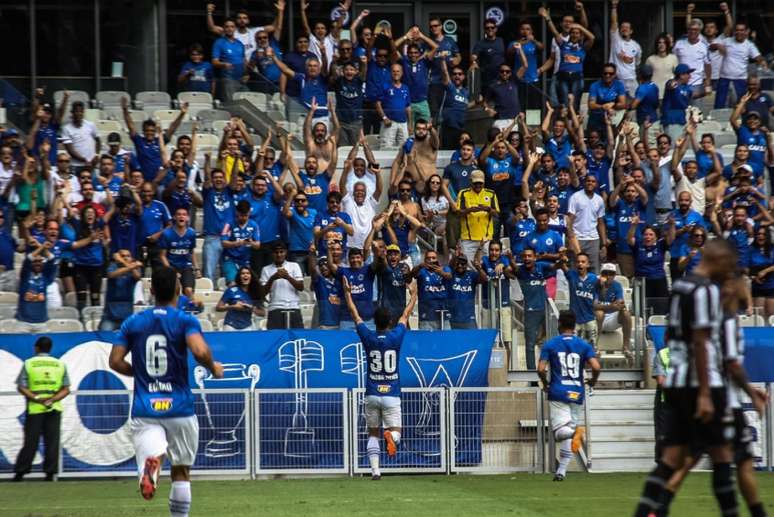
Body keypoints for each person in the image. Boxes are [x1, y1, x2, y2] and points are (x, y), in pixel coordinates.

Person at [633, 239, 740, 517]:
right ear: (718, 259)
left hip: (678, 382)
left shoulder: (680, 286)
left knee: (669, 459)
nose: (728, 273)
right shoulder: (705, 290)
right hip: (701, 382)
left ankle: (647, 511)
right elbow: (701, 341)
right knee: (722, 457)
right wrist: (705, 393)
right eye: (728, 266)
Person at [109, 266, 224, 511]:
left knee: (154, 455)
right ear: (178, 289)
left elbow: (115, 361)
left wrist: (139, 373)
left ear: (151, 291)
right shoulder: (184, 320)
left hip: (145, 408)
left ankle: (153, 464)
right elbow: (199, 351)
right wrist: (213, 367)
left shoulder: (133, 322)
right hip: (179, 406)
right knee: (181, 470)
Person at [658, 275, 768, 517]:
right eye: (742, 284)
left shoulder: (707, 319)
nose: (745, 289)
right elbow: (731, 363)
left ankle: (660, 506)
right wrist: (750, 391)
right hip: (724, 401)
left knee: (691, 458)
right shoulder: (726, 321)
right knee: (743, 462)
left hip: (703, 396)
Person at [342, 274, 417, 481]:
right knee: (397, 434)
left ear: (374, 322)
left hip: (372, 393)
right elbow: (407, 313)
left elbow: (354, 314)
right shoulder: (396, 336)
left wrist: (348, 294)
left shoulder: (368, 336)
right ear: (390, 321)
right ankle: (391, 436)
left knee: (372, 433)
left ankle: (375, 471)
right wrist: (414, 294)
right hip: (392, 393)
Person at [538, 310, 601, 481]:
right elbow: (596, 367)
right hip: (577, 392)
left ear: (559, 324)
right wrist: (593, 382)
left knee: (560, 433)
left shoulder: (550, 344)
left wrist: (545, 384)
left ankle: (576, 433)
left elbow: (541, 369)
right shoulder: (584, 345)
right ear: (574, 326)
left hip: (558, 391)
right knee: (567, 429)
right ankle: (561, 471)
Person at [13, 336, 70, 482]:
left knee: (30, 441)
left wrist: (37, 398)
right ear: (50, 348)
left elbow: (21, 386)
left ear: (37, 348)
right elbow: (66, 389)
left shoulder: (29, 363)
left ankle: (20, 472)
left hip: (35, 408)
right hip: (54, 408)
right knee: (52, 442)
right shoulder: (59, 364)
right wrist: (51, 399)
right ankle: (50, 474)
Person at [714, 21, 766, 109]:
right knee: (720, 105)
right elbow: (712, 46)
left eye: (742, 30)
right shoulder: (727, 41)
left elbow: (758, 57)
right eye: (737, 30)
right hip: (724, 78)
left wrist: (762, 62)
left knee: (741, 106)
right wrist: (717, 46)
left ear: (746, 31)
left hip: (740, 80)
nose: (739, 32)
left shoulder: (749, 45)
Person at [454, 169, 499, 264]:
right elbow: (458, 213)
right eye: (475, 183)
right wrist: (470, 210)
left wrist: (488, 209)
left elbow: (496, 214)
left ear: (484, 182)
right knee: (468, 266)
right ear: (470, 181)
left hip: (486, 238)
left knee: (485, 266)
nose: (478, 185)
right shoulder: (463, 193)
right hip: (468, 238)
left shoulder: (491, 194)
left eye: (480, 183)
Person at [567, 174, 608, 274]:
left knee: (594, 269)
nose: (590, 183)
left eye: (593, 181)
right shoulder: (575, 197)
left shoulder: (599, 200)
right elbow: (569, 221)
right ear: (584, 182)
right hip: (578, 238)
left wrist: (603, 244)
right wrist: (571, 239)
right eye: (588, 181)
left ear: (596, 184)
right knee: (576, 268)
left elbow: (601, 223)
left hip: (593, 239)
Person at [260, 241, 305, 329]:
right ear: (272, 254)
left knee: (296, 340)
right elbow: (263, 293)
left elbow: (301, 287)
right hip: (275, 308)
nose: (279, 255)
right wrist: (273, 278)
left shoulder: (294, 266)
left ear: (286, 252)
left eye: (281, 252)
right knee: (275, 340)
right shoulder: (266, 269)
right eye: (276, 252)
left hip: (293, 307)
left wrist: (287, 277)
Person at [159, 208, 199, 299]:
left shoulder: (191, 233)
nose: (181, 216)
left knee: (188, 290)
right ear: (174, 217)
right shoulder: (167, 234)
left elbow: (191, 252)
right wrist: (171, 271)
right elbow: (162, 256)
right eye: (179, 214)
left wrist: (197, 268)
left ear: (188, 218)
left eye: (184, 214)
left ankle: (191, 309)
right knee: (175, 291)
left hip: (186, 267)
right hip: (172, 266)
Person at [594, 263, 632, 357]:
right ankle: (595, 346)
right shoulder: (595, 284)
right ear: (601, 274)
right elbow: (594, 305)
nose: (608, 276)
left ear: (614, 275)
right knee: (599, 313)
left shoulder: (617, 285)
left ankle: (626, 347)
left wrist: (612, 306)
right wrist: (611, 305)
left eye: (611, 274)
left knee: (626, 314)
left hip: (612, 318)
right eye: (605, 273)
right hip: (596, 319)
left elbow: (620, 304)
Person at [100, 250, 144, 331]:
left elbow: (138, 277)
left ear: (132, 258)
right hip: (110, 317)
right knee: (104, 340)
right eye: (123, 256)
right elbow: (111, 275)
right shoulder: (113, 266)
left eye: (128, 256)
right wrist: (128, 265)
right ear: (117, 257)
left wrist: (123, 262)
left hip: (127, 318)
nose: (126, 258)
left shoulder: (134, 269)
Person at [221, 200, 261, 285]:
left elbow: (258, 245)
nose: (243, 218)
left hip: (245, 261)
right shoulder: (229, 224)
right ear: (237, 212)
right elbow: (223, 243)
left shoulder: (254, 225)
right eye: (241, 215)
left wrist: (250, 243)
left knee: (246, 284)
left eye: (246, 215)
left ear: (249, 213)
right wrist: (238, 243)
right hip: (230, 259)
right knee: (233, 284)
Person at [608, 0, 642, 97]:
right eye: (622, 27)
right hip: (617, 80)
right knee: (617, 106)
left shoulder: (636, 46)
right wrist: (614, 7)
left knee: (634, 106)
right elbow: (614, 22)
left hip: (632, 80)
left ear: (631, 31)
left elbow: (637, 63)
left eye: (627, 27)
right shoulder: (616, 40)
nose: (624, 29)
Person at [216, 266, 263, 330]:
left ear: (251, 276)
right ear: (239, 276)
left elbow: (262, 313)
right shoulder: (231, 290)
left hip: (247, 326)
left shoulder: (255, 292)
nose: (245, 275)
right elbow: (218, 307)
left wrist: (251, 308)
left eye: (248, 273)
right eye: (243, 273)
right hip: (230, 325)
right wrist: (233, 306)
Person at [211, 18, 247, 101]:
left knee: (245, 103)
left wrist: (246, 73)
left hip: (241, 80)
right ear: (223, 28)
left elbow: (244, 60)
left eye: (232, 26)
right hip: (228, 79)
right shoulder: (219, 42)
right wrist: (224, 64)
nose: (229, 29)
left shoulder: (239, 43)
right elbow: (214, 62)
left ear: (235, 28)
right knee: (230, 104)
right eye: (227, 27)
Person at [645, 33, 678, 100]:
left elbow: (677, 76)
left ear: (667, 44)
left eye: (664, 43)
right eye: (659, 42)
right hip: (654, 94)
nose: (661, 45)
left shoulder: (673, 58)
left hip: (669, 94)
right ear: (656, 44)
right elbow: (645, 79)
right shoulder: (650, 59)